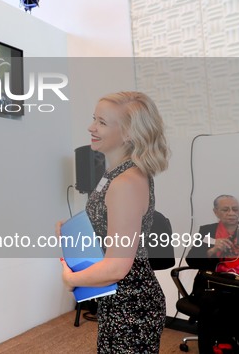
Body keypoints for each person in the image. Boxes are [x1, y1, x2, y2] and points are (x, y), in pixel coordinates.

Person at [58, 91, 169, 353]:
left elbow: (116, 268)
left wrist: (70, 279)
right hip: (117, 299)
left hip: (131, 306)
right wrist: (73, 234)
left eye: (102, 122)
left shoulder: (125, 183)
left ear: (129, 133)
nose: (91, 127)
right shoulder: (116, 173)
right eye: (94, 119)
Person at [185, 195, 239, 353]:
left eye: (235, 209)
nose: (232, 213)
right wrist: (212, 250)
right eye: (225, 209)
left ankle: (227, 343)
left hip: (238, 285)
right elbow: (191, 260)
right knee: (212, 304)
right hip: (211, 284)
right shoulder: (207, 231)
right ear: (216, 212)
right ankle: (210, 348)